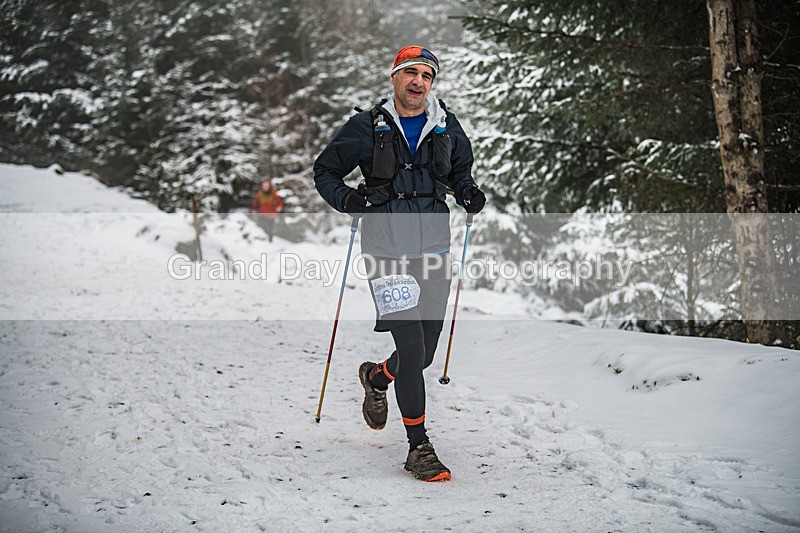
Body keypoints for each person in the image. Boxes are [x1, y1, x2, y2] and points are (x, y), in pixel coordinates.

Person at [313, 46, 486, 482]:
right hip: (385, 252)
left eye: (427, 75)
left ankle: (377, 377)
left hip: (434, 252)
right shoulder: (366, 127)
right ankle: (418, 447)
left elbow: (460, 171)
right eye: (410, 72)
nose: (418, 81)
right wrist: (348, 199)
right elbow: (325, 172)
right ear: (394, 78)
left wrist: (467, 192)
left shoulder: (445, 124)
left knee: (423, 354)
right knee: (411, 348)